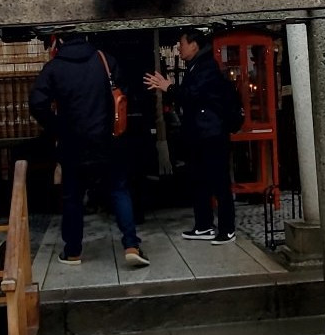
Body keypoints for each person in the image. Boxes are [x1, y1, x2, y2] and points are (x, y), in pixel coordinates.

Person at [29, 33, 147, 268]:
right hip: (108, 140)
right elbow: (124, 92)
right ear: (84, 37)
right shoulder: (104, 60)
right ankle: (131, 245)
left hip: (72, 144)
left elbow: (36, 104)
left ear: (59, 42)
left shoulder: (54, 68)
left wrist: (58, 126)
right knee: (119, 190)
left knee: (72, 197)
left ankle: (73, 252)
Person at [144, 28, 237, 245]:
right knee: (199, 180)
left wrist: (169, 87)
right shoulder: (195, 65)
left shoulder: (206, 66)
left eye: (182, 43)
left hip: (212, 133)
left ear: (194, 45)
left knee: (219, 182)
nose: (179, 48)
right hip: (199, 133)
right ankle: (203, 225)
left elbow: (193, 95)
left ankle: (227, 228)